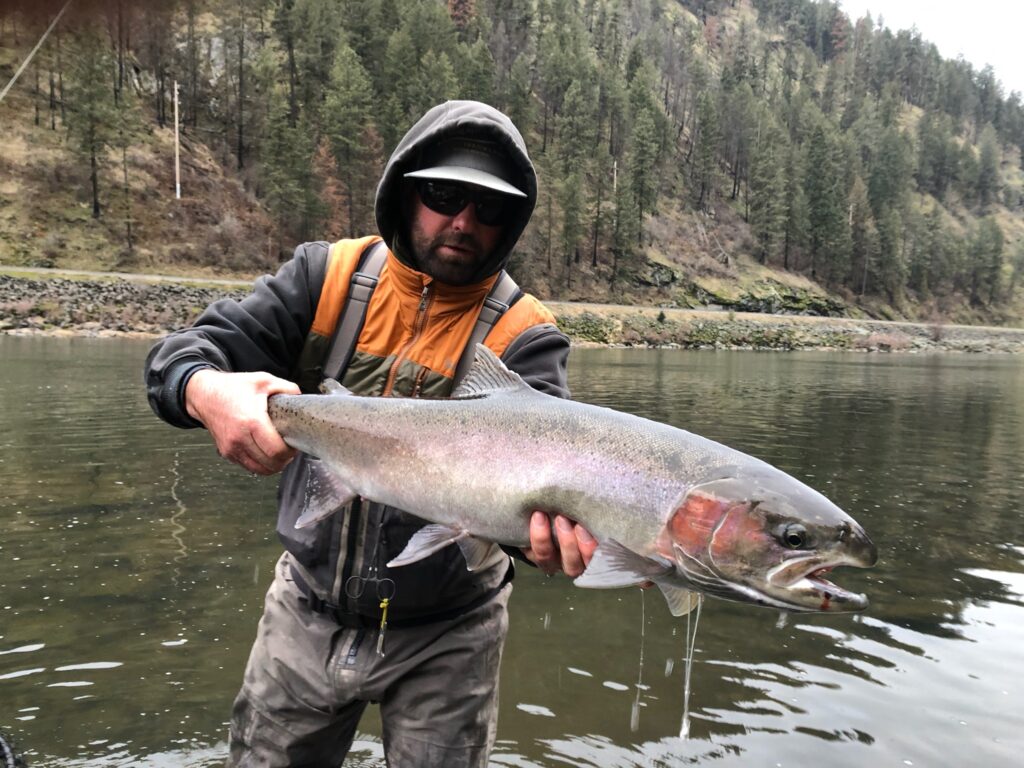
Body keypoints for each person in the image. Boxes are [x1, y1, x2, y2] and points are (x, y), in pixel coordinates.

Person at [144, 100, 596, 767]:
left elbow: (541, 510)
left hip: (453, 634)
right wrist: (203, 389)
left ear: (513, 221)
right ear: (408, 191)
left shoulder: (525, 335)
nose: (464, 221)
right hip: (307, 607)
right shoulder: (325, 278)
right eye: (445, 195)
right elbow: (182, 356)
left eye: (490, 209)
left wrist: (556, 544)